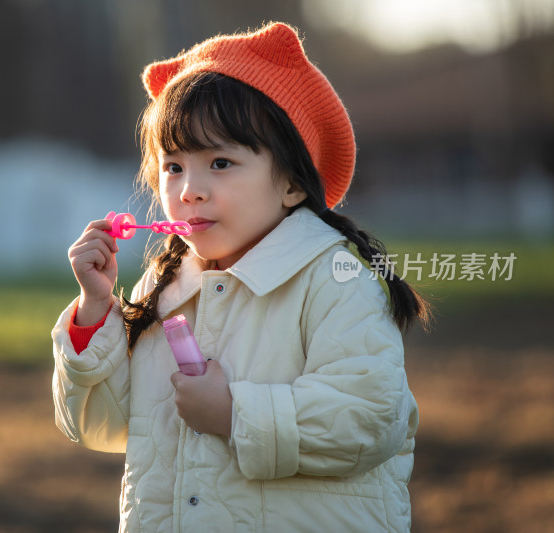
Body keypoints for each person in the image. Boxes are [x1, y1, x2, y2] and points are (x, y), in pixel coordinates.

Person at [51, 22, 430, 533]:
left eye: (221, 162)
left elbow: (369, 417)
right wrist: (95, 312)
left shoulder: (334, 279)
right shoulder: (161, 290)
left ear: (293, 183)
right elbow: (100, 426)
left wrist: (235, 413)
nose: (190, 190)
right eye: (174, 166)